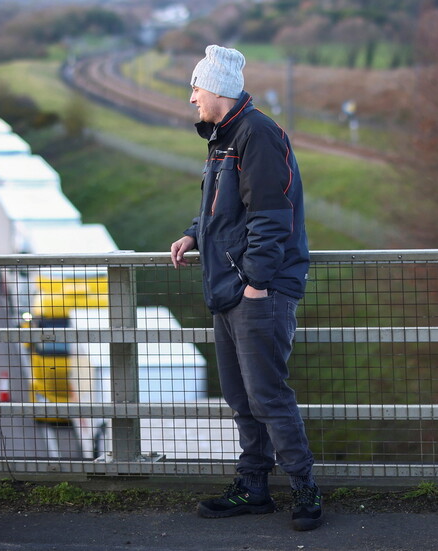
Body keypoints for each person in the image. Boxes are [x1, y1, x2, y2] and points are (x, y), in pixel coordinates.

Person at [169, 45, 322, 532]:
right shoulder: (224, 136)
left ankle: (305, 491)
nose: (191, 97)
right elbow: (223, 206)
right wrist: (195, 231)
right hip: (229, 286)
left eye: (196, 87)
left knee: (267, 396)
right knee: (240, 397)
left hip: (258, 291)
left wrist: (257, 285)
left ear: (216, 89)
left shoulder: (256, 134)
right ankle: (254, 486)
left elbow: (271, 220)